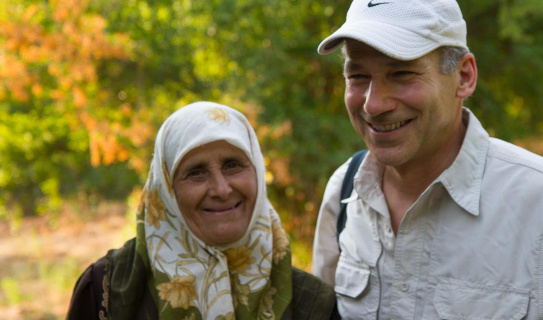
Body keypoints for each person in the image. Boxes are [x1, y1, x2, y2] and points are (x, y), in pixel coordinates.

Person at [311, 0, 543, 319]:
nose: (373, 105)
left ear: (464, 76)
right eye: (358, 76)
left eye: (401, 74)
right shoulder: (345, 190)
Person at [67, 101, 339, 320]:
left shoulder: (311, 302)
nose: (221, 189)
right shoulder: (109, 288)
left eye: (233, 164)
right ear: (166, 191)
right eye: (196, 172)